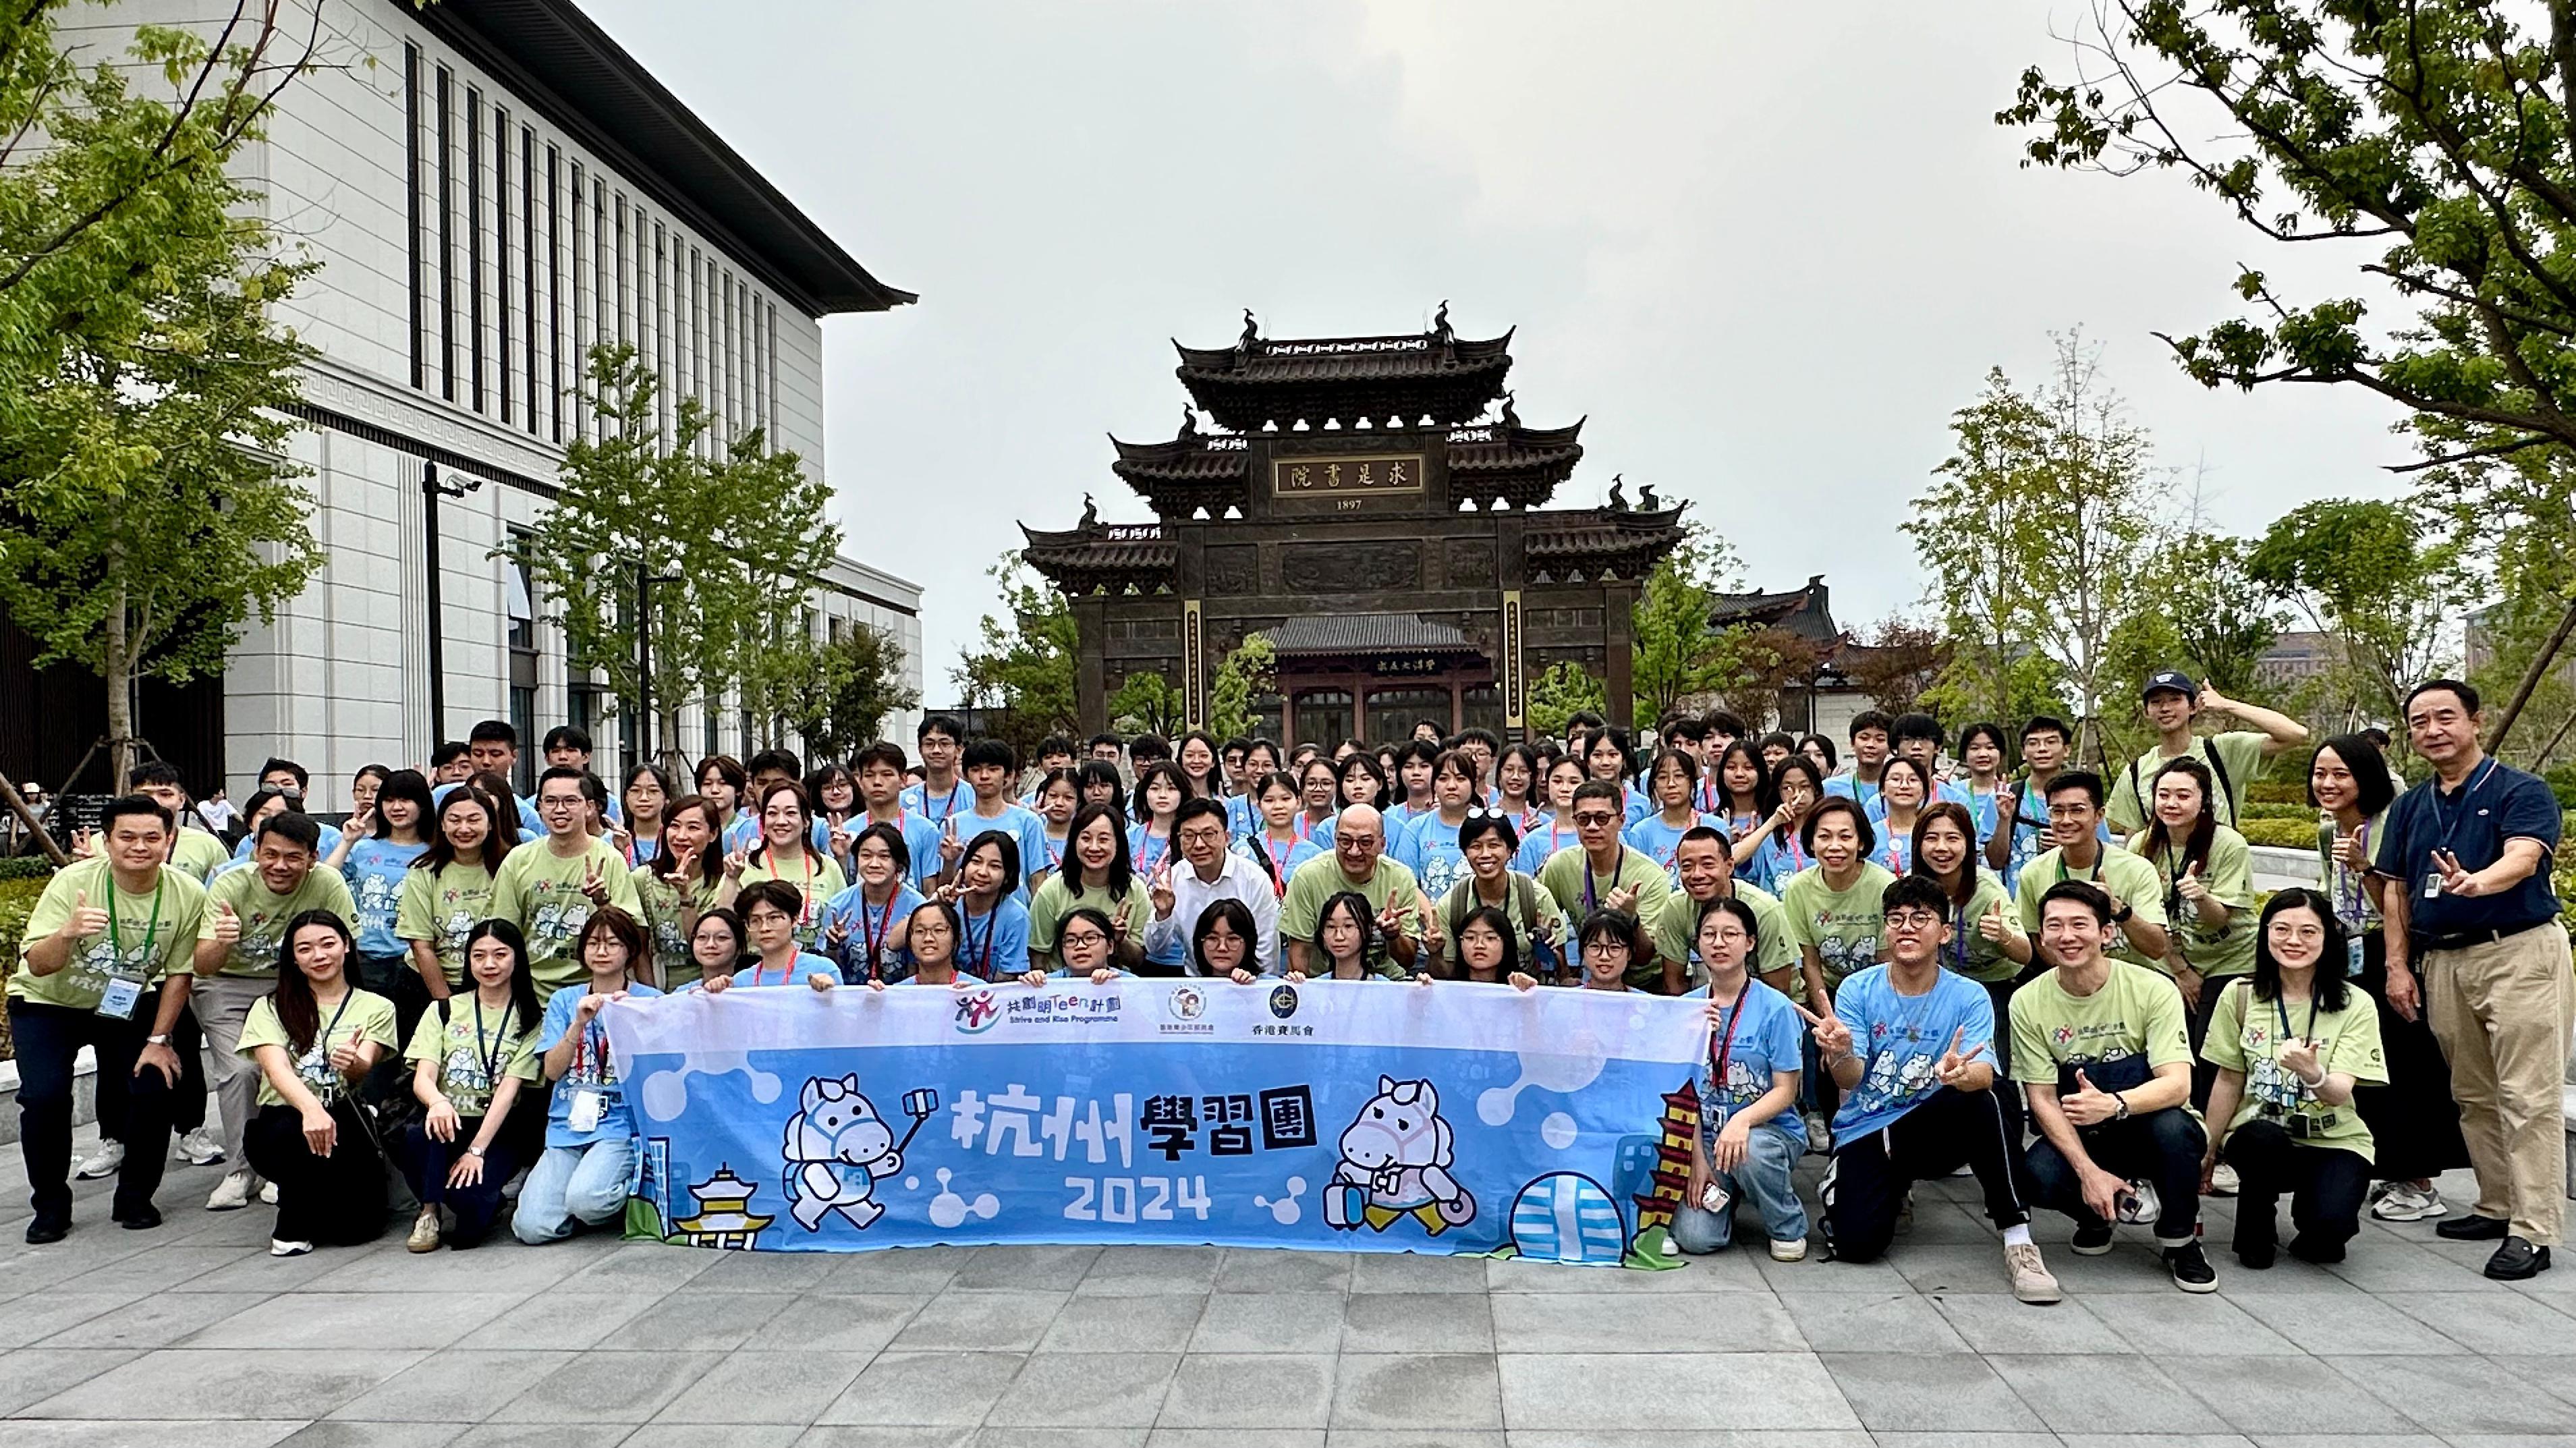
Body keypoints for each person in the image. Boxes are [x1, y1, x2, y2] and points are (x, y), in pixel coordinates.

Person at [2372, 679, 2572, 1279]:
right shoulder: (2412, 806)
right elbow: (2397, 891)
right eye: (2419, 722)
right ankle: (2496, 1203)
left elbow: (2525, 856)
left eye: (2444, 717)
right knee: (2473, 1094)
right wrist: (2397, 965)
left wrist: (2478, 881)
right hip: (2445, 961)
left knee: (2528, 1096)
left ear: (2475, 722)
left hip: (2518, 952)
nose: (2432, 730)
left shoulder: (2521, 789)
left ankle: (2534, 1232)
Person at [1803, 876, 2059, 1302]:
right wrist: (1841, 1052)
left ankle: (2018, 1238)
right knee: (1856, 1246)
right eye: (1896, 919)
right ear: (1885, 930)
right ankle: (1887, 1187)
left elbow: (1984, 1074)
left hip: (1936, 1122)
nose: (1907, 927)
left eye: (1921, 918)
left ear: (1943, 932)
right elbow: (1849, 1079)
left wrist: (1960, 1073)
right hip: (1872, 1128)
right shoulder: (1856, 989)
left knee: (1991, 1099)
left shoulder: (1969, 995)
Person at [11, 795, 207, 1240]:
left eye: (152, 837)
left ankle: (136, 1196)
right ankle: (50, 1206)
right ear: (108, 840)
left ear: (169, 841)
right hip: (48, 1003)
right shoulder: (74, 882)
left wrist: (159, 1040)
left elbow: (179, 974)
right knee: (44, 1099)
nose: (140, 846)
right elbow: (38, 964)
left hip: (126, 1005)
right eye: (128, 837)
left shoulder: (186, 893)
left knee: (155, 1085)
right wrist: (68, 933)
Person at [2013, 881, 2216, 1293]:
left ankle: (2179, 1240)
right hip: (2086, 1131)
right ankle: (2098, 1210)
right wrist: (2088, 1172)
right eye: (2054, 926)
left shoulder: (2151, 988)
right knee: (2036, 1176)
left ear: (2106, 933)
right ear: (2043, 936)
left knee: (2176, 1132)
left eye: (2079, 925)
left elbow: (2178, 1084)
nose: (2067, 936)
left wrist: (2114, 1104)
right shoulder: (2028, 1001)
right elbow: (2042, 1099)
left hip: (2148, 1120)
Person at [2310, 733, 2465, 1223]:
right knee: (2359, 1062)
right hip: (2347, 952)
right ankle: (2380, 1167)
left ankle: (2418, 1180)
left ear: (2366, 777)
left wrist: (2365, 869)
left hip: (2392, 951)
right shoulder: (2326, 828)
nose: (2328, 783)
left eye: (2341, 774)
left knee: (2407, 1065)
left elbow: (2402, 905)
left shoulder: (2395, 824)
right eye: (2320, 773)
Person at [2200, 890, 2388, 1268]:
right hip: (2260, 1135)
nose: (2293, 941)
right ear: (2265, 933)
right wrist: (2206, 1151)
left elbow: (2338, 1094)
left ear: (2327, 937)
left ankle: (2318, 1216)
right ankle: (2256, 1234)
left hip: (2333, 1136)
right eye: (2281, 929)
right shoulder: (2239, 996)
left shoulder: (2355, 1003)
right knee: (2260, 1138)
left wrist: (2311, 1072)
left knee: (2326, 1238)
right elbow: (2228, 1080)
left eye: (2308, 932)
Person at [194, 812, 357, 1212]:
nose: (280, 866)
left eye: (292, 857)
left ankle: (287, 1163)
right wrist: (223, 942)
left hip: (296, 987)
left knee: (300, 1067)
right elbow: (203, 964)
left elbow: (349, 950)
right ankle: (240, 1169)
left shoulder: (328, 884)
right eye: (270, 855)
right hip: (229, 984)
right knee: (241, 1070)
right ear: (255, 850)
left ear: (313, 857)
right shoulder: (230, 884)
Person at [238, 910, 399, 1255]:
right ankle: (291, 1223)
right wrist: (310, 1109)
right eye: (305, 949)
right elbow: (276, 1069)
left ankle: (310, 1200)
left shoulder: (377, 1006)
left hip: (345, 1116)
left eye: (328, 944)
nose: (319, 956)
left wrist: (352, 1062)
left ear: (346, 947)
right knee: (293, 1133)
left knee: (356, 1230)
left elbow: (364, 1067)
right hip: (284, 1118)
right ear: (293, 959)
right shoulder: (269, 1007)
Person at [513, 906, 662, 1244]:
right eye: (594, 943)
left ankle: (637, 1188)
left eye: (612, 943)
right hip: (568, 1125)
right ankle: (576, 1205)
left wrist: (632, 1021)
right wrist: (579, 1024)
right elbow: (552, 1070)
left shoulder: (648, 1000)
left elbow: (662, 1072)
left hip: (621, 1125)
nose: (602, 951)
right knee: (532, 1228)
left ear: (630, 951)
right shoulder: (564, 999)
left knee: (590, 1200)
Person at [1675, 897, 1810, 1261]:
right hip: (1705, 1137)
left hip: (1764, 1131)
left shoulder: (1775, 1007)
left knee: (1751, 1152)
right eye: (1709, 934)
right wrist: (1696, 1159)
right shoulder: (1687, 1009)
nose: (1719, 943)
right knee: (1696, 1239)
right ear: (1698, 943)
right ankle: (1726, 1196)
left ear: (1750, 942)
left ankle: (1787, 1226)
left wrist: (1742, 1120)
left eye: (1731, 934)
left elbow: (1787, 1090)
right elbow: (1683, 1093)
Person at [398, 919, 542, 1252]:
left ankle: (485, 1204)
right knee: (423, 1133)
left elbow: (508, 1091)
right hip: (448, 1120)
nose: (489, 964)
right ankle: (429, 1213)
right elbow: (423, 1077)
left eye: (500, 955)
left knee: (470, 1217)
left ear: (517, 958)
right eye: (479, 956)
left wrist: (476, 1151)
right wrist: (437, 1101)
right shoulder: (444, 1010)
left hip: (497, 1129)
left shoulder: (532, 1018)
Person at [2127, 758, 2257, 1115]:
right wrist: (2180, 970)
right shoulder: (2142, 845)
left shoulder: (2228, 843)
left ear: (2204, 801)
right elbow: (2143, 918)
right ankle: (2185, 1120)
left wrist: (2200, 896)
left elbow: (2219, 920)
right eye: (2163, 794)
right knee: (2175, 1043)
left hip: (2232, 957)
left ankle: (2215, 1128)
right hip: (2173, 959)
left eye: (2183, 795)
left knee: (2210, 1043)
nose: (2172, 804)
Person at [325, 767, 436, 1100]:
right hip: (366, 961)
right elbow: (327, 879)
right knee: (370, 1048)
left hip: (412, 964)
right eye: (389, 800)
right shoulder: (363, 849)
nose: (397, 807)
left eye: (406, 799)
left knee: (411, 1048)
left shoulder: (434, 852)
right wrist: (347, 840)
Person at [493, 766, 642, 1001]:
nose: (559, 810)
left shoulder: (610, 859)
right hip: (530, 993)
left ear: (590, 807)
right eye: (550, 801)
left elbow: (634, 935)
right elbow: (502, 933)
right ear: (539, 807)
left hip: (594, 992)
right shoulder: (518, 860)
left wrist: (603, 902)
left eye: (571, 801)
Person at [2106, 670, 2309, 835]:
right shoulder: (2136, 772)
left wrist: (2226, 705)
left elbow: (2296, 734)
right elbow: (2134, 840)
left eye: (2175, 699)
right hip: (2164, 881)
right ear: (2147, 712)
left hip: (2223, 878)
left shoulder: (2223, 752)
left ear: (2193, 707)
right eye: (2156, 702)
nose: (2165, 708)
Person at [2015, 771, 2171, 971]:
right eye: (2057, 811)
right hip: (2070, 986)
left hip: (2131, 983)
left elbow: (2157, 948)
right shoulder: (2033, 873)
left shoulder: (2137, 870)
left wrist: (2117, 909)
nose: (2066, 820)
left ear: (2099, 815)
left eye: (2077, 810)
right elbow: (2037, 938)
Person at [1537, 781, 1673, 988]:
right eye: (1584, 819)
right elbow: (1542, 919)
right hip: (1592, 977)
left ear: (1621, 821)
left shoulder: (1649, 875)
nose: (1592, 827)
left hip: (1644, 981)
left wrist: (1631, 918)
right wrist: (1563, 972)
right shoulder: (1559, 866)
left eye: (1602, 818)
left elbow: (1644, 956)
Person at [397, 786, 511, 1006]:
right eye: (455, 820)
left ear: (489, 824)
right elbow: (421, 946)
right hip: (431, 983)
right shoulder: (423, 872)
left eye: (474, 820)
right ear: (442, 824)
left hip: (498, 982)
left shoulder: (511, 865)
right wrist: (445, 1004)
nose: (464, 828)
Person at [1281, 806, 1425, 980]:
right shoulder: (1308, 877)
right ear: (1335, 839)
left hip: (1386, 983)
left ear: (1382, 844)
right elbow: (1299, 955)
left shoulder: (1400, 878)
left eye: (1365, 842)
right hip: (1325, 982)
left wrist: (1392, 935)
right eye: (1345, 841)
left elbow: (1408, 960)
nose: (1354, 851)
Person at [1782, 796, 1897, 1011]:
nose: (1835, 847)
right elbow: (1810, 962)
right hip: (1828, 990)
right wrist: (1827, 1016)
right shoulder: (1799, 888)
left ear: (1861, 842)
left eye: (1845, 837)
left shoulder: (1884, 885)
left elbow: (1886, 960)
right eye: (1824, 837)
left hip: (1877, 991)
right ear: (1811, 842)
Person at [1650, 827, 1793, 997]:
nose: (1697, 875)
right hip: (1715, 998)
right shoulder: (1677, 908)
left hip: (1776, 1003)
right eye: (1687, 866)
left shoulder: (1764, 910)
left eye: (1708, 865)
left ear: (1729, 866)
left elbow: (1779, 987)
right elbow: (1674, 984)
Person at [1146, 796, 1280, 975]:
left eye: (1209, 834)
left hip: (1248, 984)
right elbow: (1156, 950)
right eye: (1189, 836)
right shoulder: (1171, 880)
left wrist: (1258, 989)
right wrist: (1163, 915)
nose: (1199, 844)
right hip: (1197, 987)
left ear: (1227, 837)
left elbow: (1266, 950)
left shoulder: (1254, 879)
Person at [1432, 812, 1565, 981]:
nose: (1485, 854)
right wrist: (1435, 954)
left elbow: (1562, 971)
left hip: (1528, 997)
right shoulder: (1452, 904)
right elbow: (1447, 975)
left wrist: (1546, 951)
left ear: (1510, 850)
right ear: (1465, 853)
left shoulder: (1537, 898)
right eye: (1476, 846)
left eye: (1494, 845)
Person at [1026, 804, 1150, 974]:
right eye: (1086, 838)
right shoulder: (1051, 890)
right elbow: (1038, 956)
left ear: (1118, 843)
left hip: (1117, 987)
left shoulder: (1135, 890)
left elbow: (1137, 961)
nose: (1094, 847)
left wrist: (1120, 940)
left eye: (1103, 839)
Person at [723, 781, 847, 947]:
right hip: (756, 966)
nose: (781, 821)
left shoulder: (828, 868)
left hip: (815, 966)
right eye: (773, 814)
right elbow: (722, 927)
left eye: (790, 813)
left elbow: (845, 921)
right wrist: (731, 879)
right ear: (763, 824)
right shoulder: (741, 867)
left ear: (806, 821)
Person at [940, 740, 1055, 901]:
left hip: (1016, 920)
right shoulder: (952, 825)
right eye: (976, 770)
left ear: (1008, 775)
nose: (984, 776)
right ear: (966, 776)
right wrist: (949, 863)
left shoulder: (1029, 821)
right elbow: (945, 889)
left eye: (993, 769)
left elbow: (1038, 880)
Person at [816, 823, 925, 985]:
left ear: (899, 863)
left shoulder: (917, 907)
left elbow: (918, 969)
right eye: (866, 856)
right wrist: (833, 946)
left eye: (884, 856)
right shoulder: (839, 905)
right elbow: (827, 972)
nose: (874, 864)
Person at [633, 795, 721, 990]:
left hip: (710, 988)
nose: (681, 836)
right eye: (675, 826)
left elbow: (705, 942)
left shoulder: (722, 882)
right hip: (659, 987)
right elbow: (639, 950)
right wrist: (653, 998)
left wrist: (685, 896)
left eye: (693, 828)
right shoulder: (643, 879)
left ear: (713, 834)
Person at [1987, 715, 2081, 893]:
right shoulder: (2006, 796)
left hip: (2070, 904)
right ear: (2023, 752)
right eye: (2033, 743)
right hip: (2018, 904)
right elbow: (1996, 861)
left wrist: (2068, 847)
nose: (2042, 749)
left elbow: (2101, 854)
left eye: (2051, 742)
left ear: (2067, 749)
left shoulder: (2082, 799)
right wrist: (2004, 820)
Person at [706, 881, 839, 991]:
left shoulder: (823, 969)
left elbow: (843, 1016)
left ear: (794, 919)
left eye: (774, 918)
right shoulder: (741, 981)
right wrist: (713, 992)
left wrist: (830, 992)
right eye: (755, 921)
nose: (765, 928)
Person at [856, 744, 946, 893]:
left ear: (903, 779)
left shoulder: (925, 830)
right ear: (860, 781)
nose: (877, 782)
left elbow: (929, 889)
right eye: (870, 775)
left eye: (887, 774)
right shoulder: (847, 830)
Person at [1625, 748, 1720, 885]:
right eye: (1663, 778)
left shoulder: (1715, 826)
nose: (1671, 784)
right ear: (1654, 785)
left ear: (1691, 783)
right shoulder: (1641, 833)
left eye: (1679, 776)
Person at [945, 833, 1034, 980]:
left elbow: (1006, 977)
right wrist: (937, 902)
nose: (982, 872)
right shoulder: (949, 907)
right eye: (976, 861)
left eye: (995, 866)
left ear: (1007, 876)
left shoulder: (1016, 916)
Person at [1238, 771, 1324, 898]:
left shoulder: (1315, 854)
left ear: (1298, 802)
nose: (1278, 806)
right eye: (1269, 800)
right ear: (1259, 805)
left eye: (1285, 799)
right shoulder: (1242, 850)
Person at [1513, 755, 1587, 874]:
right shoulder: (1533, 841)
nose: (1565, 788)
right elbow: (1525, 888)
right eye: (1557, 781)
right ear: (1547, 785)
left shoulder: (1605, 833)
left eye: (1573, 782)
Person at [878, 900, 972, 989]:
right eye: (920, 931)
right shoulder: (898, 993)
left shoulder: (977, 990)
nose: (928, 938)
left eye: (939, 930)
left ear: (957, 938)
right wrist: (872, 998)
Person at [1864, 756, 1932, 874]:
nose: (1904, 786)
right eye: (1896, 779)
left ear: (1924, 792)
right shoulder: (1870, 835)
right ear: (1882, 789)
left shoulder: (1932, 832)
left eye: (1913, 780)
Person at [902, 715, 972, 825]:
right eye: (929, 744)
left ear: (958, 750)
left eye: (945, 744)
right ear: (920, 750)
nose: (936, 751)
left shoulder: (973, 797)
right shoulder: (903, 801)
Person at [1577, 727, 1651, 825]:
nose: (1605, 762)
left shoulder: (1642, 804)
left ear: (1624, 760)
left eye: (1613, 755)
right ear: (1588, 761)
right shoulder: (1577, 802)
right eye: (1597, 755)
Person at [1127, 761, 1187, 879]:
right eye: (1155, 788)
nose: (1163, 795)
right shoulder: (1131, 837)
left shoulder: (1189, 836)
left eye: (1171, 788)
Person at [1824, 710, 1893, 808]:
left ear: (1890, 746)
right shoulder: (1830, 788)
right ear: (1852, 743)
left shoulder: (1899, 789)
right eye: (1864, 738)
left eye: (1880, 740)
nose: (1871, 745)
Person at [1050, 906, 1134, 984]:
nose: (1080, 946)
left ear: (1110, 946)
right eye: (1071, 940)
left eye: (1090, 938)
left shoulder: (1132, 985)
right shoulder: (1047, 984)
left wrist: (1112, 986)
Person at [1572, 909, 1650, 992]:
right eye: (1595, 946)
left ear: (1629, 954)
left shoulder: (1645, 1003)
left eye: (1614, 948)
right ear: (1583, 951)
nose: (1604, 956)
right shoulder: (1567, 1001)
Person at [679, 908, 749, 990]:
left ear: (739, 947)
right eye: (702, 937)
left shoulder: (751, 988)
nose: (710, 945)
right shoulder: (683, 993)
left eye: (722, 937)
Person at [618, 763, 673, 869]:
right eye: (635, 791)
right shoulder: (612, 840)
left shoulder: (676, 840)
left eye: (653, 791)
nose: (644, 798)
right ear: (626, 797)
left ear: (666, 798)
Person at [1032, 767, 1080, 878]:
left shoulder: (1083, 838)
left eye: (1068, 798)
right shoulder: (1033, 835)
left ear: (1078, 802)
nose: (1059, 803)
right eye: (1053, 796)